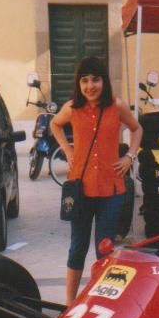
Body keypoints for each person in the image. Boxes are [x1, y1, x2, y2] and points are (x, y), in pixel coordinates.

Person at [50, 56, 143, 304]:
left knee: (104, 249)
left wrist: (130, 156)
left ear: (104, 81)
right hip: (80, 188)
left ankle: (99, 303)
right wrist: (67, 150)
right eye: (85, 80)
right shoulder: (71, 108)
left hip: (110, 190)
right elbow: (55, 124)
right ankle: (70, 304)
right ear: (78, 83)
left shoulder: (116, 106)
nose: (90, 86)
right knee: (77, 248)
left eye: (95, 80)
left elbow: (137, 129)